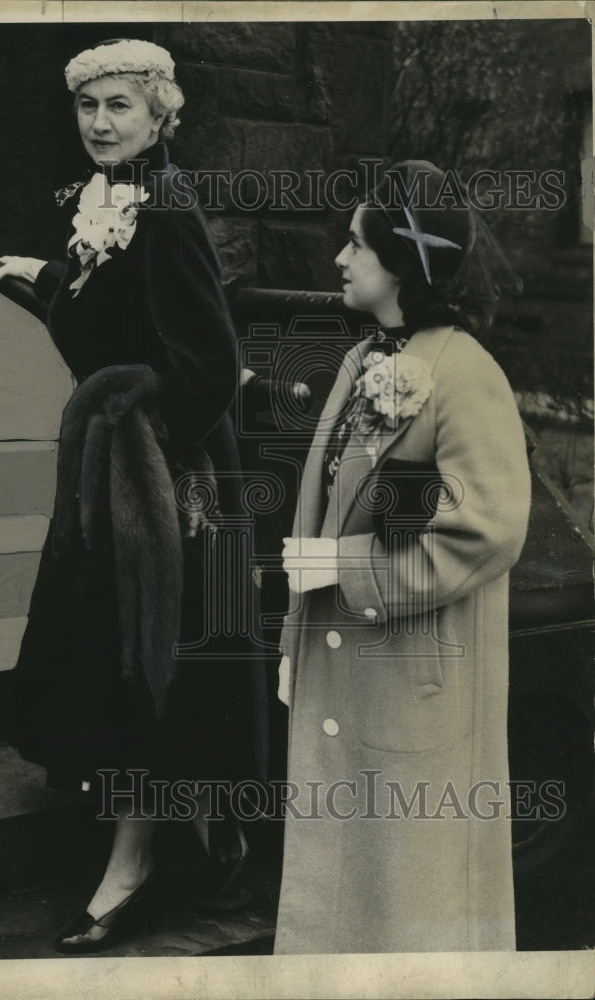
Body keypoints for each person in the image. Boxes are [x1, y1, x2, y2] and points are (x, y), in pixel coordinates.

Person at [0, 38, 265, 953]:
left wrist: (133, 417)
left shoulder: (170, 211)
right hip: (118, 469)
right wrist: (53, 279)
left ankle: (134, 866)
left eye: (120, 106)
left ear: (160, 115)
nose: (100, 123)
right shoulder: (107, 203)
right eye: (88, 106)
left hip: (168, 480)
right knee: (113, 657)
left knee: (152, 664)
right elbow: (121, 316)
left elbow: (210, 365)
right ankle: (199, 830)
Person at [274, 161, 531, 954]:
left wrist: (342, 569)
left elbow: (486, 528)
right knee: (345, 897)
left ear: (403, 260)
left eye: (357, 244)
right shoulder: (362, 363)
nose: (341, 260)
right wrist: (292, 644)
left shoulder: (464, 375)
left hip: (417, 683)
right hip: (343, 669)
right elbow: (322, 499)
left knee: (412, 905)